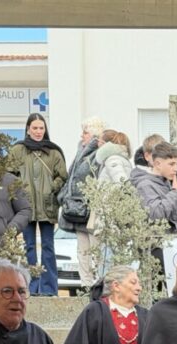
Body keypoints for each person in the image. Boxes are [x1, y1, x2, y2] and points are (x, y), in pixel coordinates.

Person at [8, 113, 67, 296]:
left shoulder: (53, 151)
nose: (38, 131)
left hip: (47, 205)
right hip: (25, 206)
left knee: (49, 247)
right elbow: (9, 174)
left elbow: (62, 176)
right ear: (27, 129)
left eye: (41, 128)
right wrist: (19, 193)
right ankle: (29, 287)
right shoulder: (17, 150)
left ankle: (49, 288)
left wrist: (51, 188)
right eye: (35, 128)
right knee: (29, 247)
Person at [58, 116, 105, 288]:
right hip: (77, 210)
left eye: (85, 132)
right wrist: (64, 196)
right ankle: (86, 286)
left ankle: (99, 285)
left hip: (91, 210)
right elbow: (72, 177)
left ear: (94, 135)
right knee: (82, 251)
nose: (81, 136)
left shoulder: (98, 154)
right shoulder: (80, 152)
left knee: (96, 250)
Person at [134, 134, 177, 229]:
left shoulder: (166, 181)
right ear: (157, 163)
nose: (176, 169)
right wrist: (176, 193)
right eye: (171, 164)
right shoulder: (145, 185)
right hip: (170, 241)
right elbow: (155, 215)